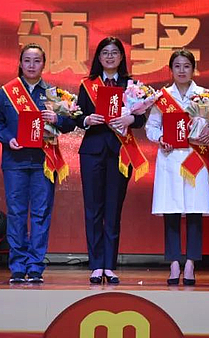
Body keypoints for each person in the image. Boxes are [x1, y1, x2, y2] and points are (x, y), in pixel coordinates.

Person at [0, 43, 76, 284]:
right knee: (16, 214)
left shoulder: (54, 94)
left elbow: (70, 123)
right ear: (20, 63)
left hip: (44, 162)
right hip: (15, 161)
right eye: (27, 60)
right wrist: (8, 138)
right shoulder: (7, 92)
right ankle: (17, 266)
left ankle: (35, 266)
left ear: (44, 64)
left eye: (37, 61)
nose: (32, 65)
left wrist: (57, 118)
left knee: (41, 214)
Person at [75, 37, 146, 285]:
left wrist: (130, 120)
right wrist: (87, 120)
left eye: (114, 52)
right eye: (105, 52)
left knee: (114, 209)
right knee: (93, 209)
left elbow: (141, 118)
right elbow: (77, 115)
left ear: (121, 57)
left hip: (120, 151)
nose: (109, 57)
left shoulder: (131, 86)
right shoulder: (87, 85)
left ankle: (109, 265)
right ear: (98, 57)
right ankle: (96, 265)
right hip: (92, 150)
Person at [145, 50, 209, 286]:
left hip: (195, 157)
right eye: (177, 66)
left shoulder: (204, 96)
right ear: (170, 70)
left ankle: (191, 263)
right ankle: (174, 262)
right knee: (172, 211)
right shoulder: (162, 97)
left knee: (195, 211)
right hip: (170, 157)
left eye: (186, 66)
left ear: (193, 69)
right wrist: (159, 138)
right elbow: (151, 127)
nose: (182, 70)